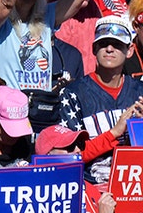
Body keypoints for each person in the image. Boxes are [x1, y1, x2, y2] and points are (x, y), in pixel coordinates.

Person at [60, 15, 143, 185]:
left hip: (134, 187)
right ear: (93, 49)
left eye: (117, 44)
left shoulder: (140, 91)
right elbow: (69, 158)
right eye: (103, 44)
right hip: (90, 189)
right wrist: (114, 132)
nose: (109, 49)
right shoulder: (72, 94)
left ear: (130, 51)